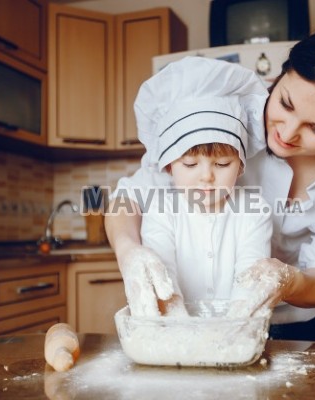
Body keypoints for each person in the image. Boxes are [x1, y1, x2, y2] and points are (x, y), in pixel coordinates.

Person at [106, 20, 315, 339]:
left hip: (309, 322)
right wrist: (129, 251)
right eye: (285, 103)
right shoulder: (223, 121)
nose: (287, 133)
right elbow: (129, 198)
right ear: (280, 76)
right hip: (213, 320)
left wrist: (287, 281)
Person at [115, 56, 273, 317]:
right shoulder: (161, 211)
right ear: (168, 166)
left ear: (241, 166)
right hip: (177, 337)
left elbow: (249, 285)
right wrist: (184, 334)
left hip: (237, 334)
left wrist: (232, 335)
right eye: (189, 164)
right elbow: (165, 283)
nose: (206, 177)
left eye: (222, 164)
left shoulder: (255, 212)